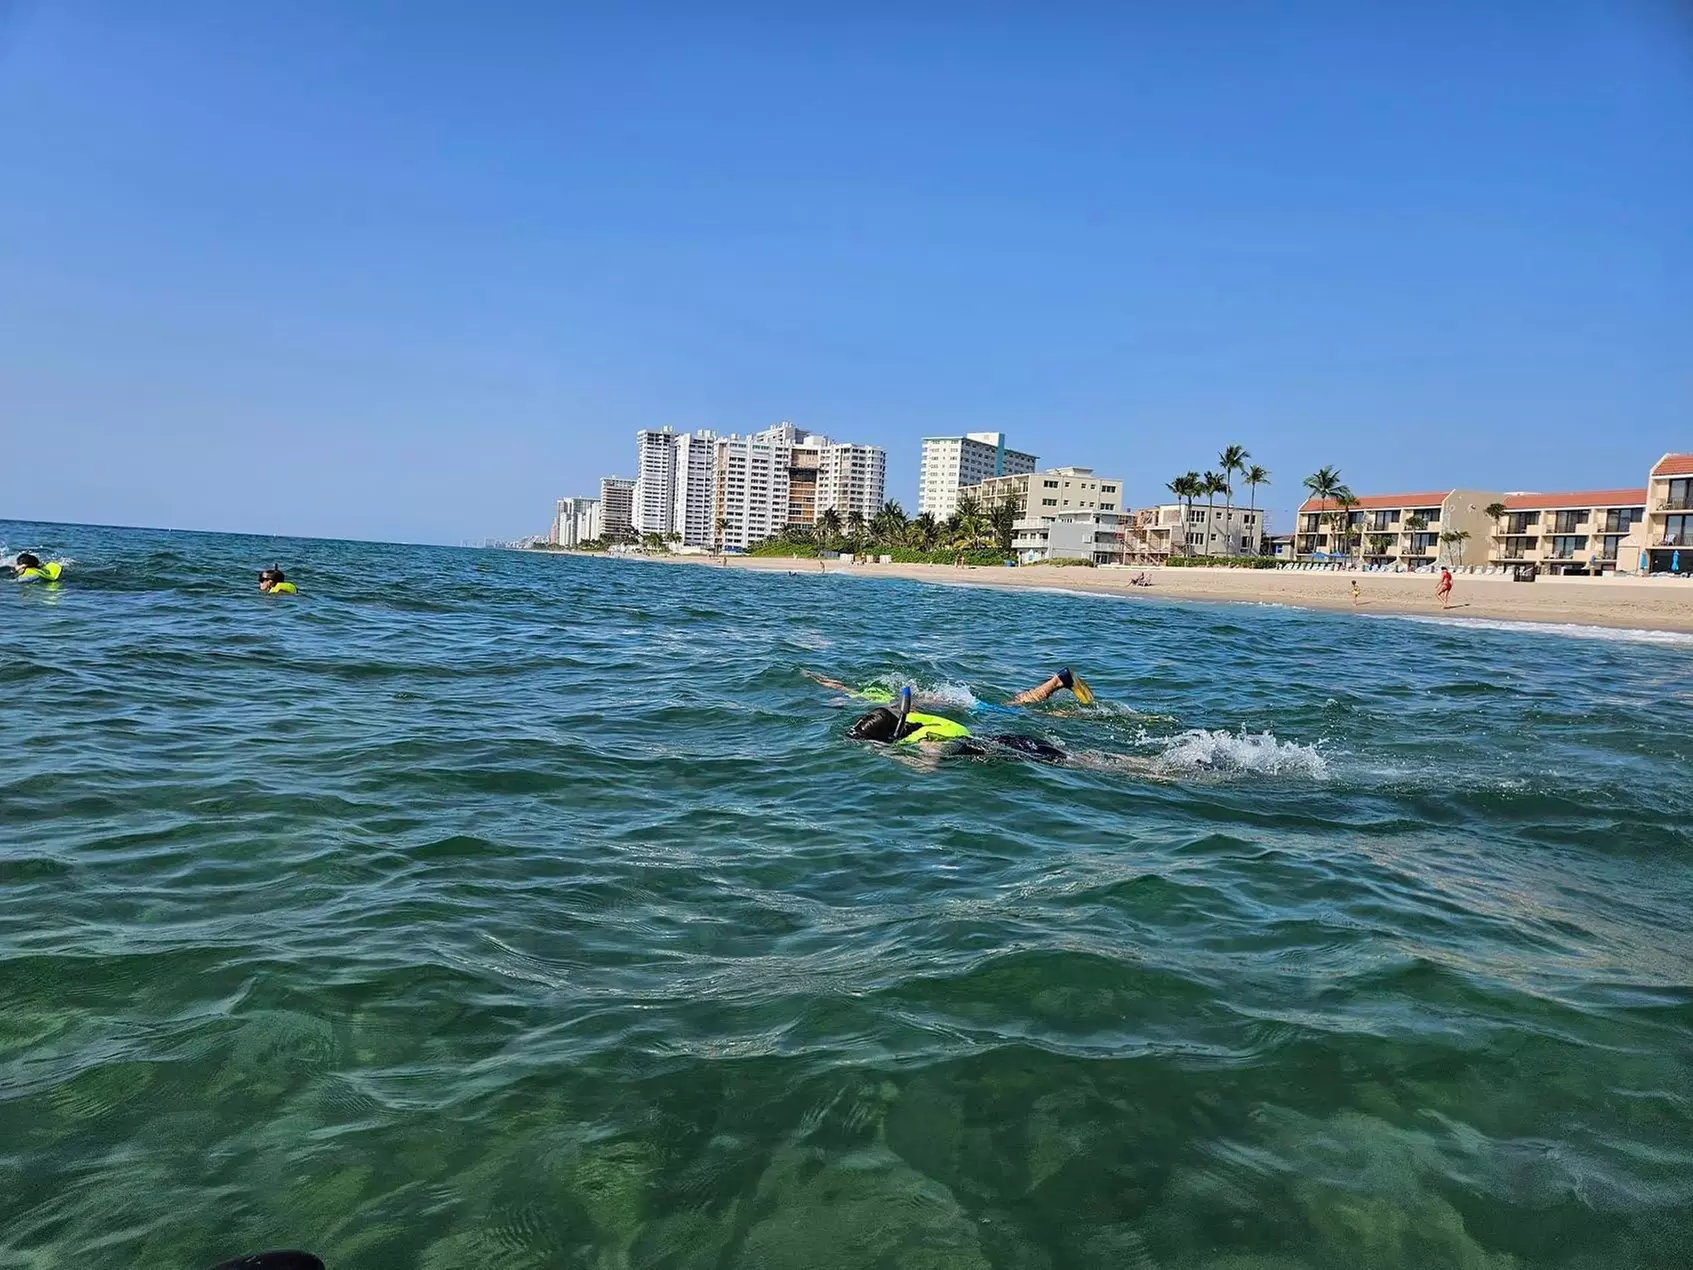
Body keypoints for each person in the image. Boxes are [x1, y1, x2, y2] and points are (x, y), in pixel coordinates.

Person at [846, 691, 1066, 763]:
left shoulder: (926, 740)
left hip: (1015, 750)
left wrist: (890, 754)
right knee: (1080, 758)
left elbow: (928, 767)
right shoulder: (918, 719)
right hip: (1010, 739)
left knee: (1084, 764)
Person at [805, 666, 1092, 709]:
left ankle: (1058, 681)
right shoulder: (872, 694)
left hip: (955, 704)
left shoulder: (872, 700)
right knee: (1012, 704)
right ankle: (1057, 683)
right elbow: (843, 688)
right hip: (945, 699)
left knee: (1012, 708)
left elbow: (844, 691)